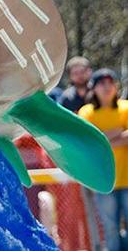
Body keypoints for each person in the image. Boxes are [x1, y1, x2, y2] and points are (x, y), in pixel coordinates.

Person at [78, 68, 128, 250]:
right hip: (103, 182)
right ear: (94, 88)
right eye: (102, 84)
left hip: (127, 179)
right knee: (110, 228)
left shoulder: (126, 107)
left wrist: (102, 138)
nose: (107, 87)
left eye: (110, 83)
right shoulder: (86, 112)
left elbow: (97, 140)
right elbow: (87, 141)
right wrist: (119, 132)